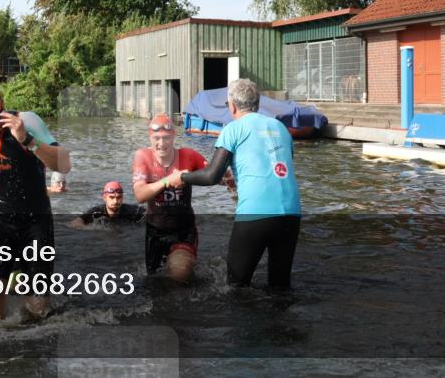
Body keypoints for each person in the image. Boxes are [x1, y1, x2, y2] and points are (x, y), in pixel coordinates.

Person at [0, 79, 71, 320]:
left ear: (3, 107)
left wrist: (27, 140)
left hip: (35, 221)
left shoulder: (28, 122)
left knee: (38, 304)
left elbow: (64, 164)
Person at [174, 79, 301, 290]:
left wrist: (182, 177)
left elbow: (211, 176)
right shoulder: (281, 127)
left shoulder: (233, 129)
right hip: (291, 212)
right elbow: (274, 167)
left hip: (256, 213)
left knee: (236, 286)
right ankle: (281, 323)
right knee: (280, 287)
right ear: (257, 104)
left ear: (232, 105)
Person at [132, 113, 206, 283]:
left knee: (180, 274)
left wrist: (229, 178)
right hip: (155, 230)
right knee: (155, 282)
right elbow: (140, 195)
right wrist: (167, 181)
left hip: (184, 230)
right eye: (156, 138)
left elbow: (213, 175)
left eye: (166, 138)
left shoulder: (189, 156)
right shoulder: (143, 157)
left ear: (174, 137)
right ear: (150, 138)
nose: (161, 144)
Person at [71, 181, 145, 228]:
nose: (116, 201)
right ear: (104, 198)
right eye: (111, 197)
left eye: (119, 197)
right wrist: (91, 229)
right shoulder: (96, 212)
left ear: (122, 198)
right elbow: (74, 223)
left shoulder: (132, 211)